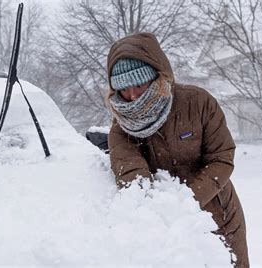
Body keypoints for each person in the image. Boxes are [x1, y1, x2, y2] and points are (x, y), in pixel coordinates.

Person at [105, 32, 249, 267]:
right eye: (123, 89)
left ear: (156, 77)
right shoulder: (121, 127)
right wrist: (158, 212)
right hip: (168, 229)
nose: (131, 97)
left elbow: (222, 158)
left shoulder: (198, 102)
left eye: (138, 85)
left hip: (219, 216)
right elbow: (131, 174)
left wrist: (188, 201)